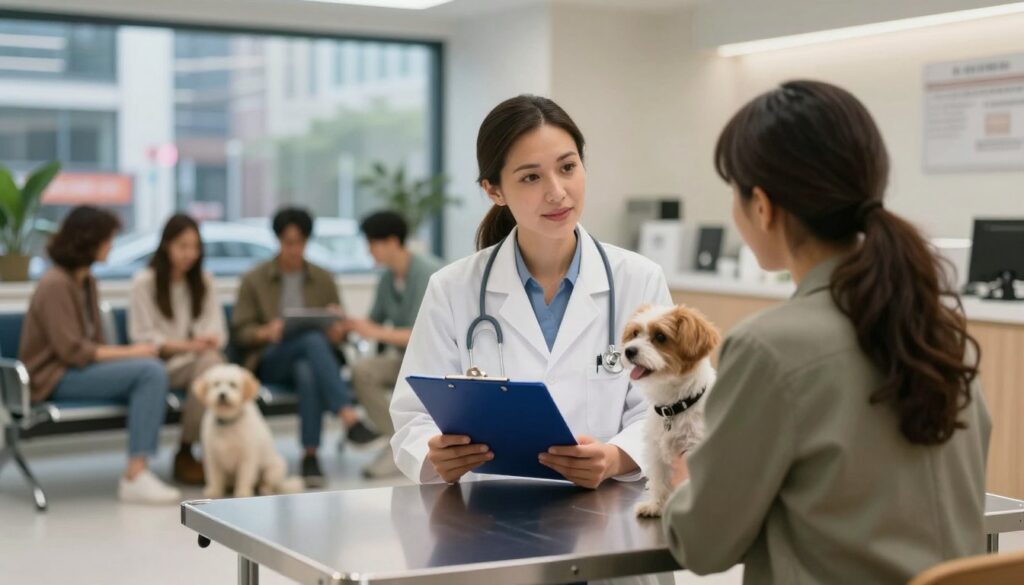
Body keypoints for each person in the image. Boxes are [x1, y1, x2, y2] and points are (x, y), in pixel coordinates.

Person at [662, 80, 991, 583]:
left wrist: (687, 483)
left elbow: (703, 546)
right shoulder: (936, 333)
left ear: (762, 206)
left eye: (734, 192)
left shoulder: (769, 348)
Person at [390, 95, 673, 489]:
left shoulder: (638, 280)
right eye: (530, 177)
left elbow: (665, 407)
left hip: (606, 513)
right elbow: (412, 417)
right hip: (484, 517)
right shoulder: (453, 289)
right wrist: (435, 453)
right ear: (494, 191)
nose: (557, 192)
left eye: (568, 167)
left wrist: (613, 458)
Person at [19, 206, 181, 504]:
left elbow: (91, 344)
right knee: (151, 371)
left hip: (73, 371)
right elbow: (72, 351)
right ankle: (135, 474)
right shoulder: (55, 283)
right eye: (107, 239)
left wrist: (132, 355)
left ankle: (138, 470)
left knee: (148, 367)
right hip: (52, 377)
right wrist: (133, 352)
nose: (111, 245)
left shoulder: (86, 282)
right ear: (88, 241)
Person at [232, 206, 380, 487]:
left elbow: (340, 329)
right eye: (288, 243)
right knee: (312, 343)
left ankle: (310, 457)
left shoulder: (323, 278)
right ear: (278, 241)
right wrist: (266, 331)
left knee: (308, 369)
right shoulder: (255, 279)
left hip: (312, 360)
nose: (294, 249)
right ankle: (348, 417)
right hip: (272, 359)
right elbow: (240, 332)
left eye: (300, 242)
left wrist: (338, 330)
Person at [129, 213, 227, 485]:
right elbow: (144, 339)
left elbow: (218, 331)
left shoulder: (204, 282)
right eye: (183, 246)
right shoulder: (144, 282)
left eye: (195, 247)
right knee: (210, 366)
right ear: (166, 246)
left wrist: (206, 342)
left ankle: (196, 451)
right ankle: (186, 451)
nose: (190, 254)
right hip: (159, 367)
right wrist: (189, 345)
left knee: (212, 366)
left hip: (197, 363)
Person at [346, 210, 443, 479]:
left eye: (372, 243)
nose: (369, 251)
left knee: (381, 370)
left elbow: (418, 335)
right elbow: (372, 322)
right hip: (404, 360)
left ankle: (399, 446)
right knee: (362, 370)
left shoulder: (429, 273)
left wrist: (374, 331)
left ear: (391, 242)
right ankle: (395, 441)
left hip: (433, 362)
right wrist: (348, 322)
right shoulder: (388, 278)